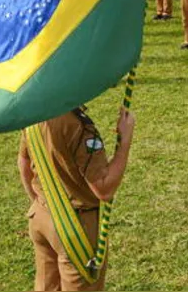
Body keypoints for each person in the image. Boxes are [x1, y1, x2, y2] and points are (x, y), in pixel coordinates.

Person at [18, 105, 135, 291]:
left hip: (41, 216)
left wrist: (38, 202)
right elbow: (104, 188)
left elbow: (24, 162)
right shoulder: (78, 125)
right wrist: (125, 139)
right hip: (74, 228)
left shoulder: (36, 111)